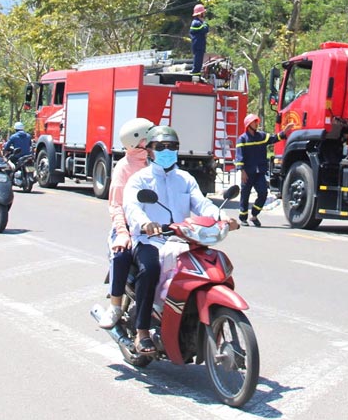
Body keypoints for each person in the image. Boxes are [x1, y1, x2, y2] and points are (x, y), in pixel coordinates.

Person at [123, 125, 241, 354]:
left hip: (181, 240)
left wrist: (222, 216)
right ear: (149, 151)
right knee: (149, 270)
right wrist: (145, 223)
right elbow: (131, 207)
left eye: (172, 147)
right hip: (150, 241)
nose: (167, 151)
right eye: (161, 147)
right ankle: (143, 332)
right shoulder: (139, 180)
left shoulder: (185, 179)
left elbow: (202, 204)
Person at [96, 117, 154, 329]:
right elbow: (116, 204)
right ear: (138, 142)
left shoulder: (156, 163)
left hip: (157, 227)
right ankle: (115, 305)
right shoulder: (124, 167)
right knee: (121, 255)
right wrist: (122, 232)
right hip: (130, 227)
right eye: (150, 138)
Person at [235, 114, 295, 227]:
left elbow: (274, 138)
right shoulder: (242, 139)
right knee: (245, 195)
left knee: (263, 193)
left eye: (257, 121)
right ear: (248, 124)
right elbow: (239, 157)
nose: (257, 124)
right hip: (247, 173)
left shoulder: (262, 136)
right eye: (254, 122)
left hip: (259, 172)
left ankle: (254, 215)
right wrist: (242, 171)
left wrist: (285, 131)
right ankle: (243, 218)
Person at [189, 3, 209, 80]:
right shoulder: (196, 23)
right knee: (198, 60)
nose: (204, 14)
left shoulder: (198, 22)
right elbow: (205, 29)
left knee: (199, 60)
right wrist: (205, 23)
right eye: (203, 13)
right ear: (200, 14)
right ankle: (195, 74)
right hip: (198, 45)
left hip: (199, 44)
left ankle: (197, 73)